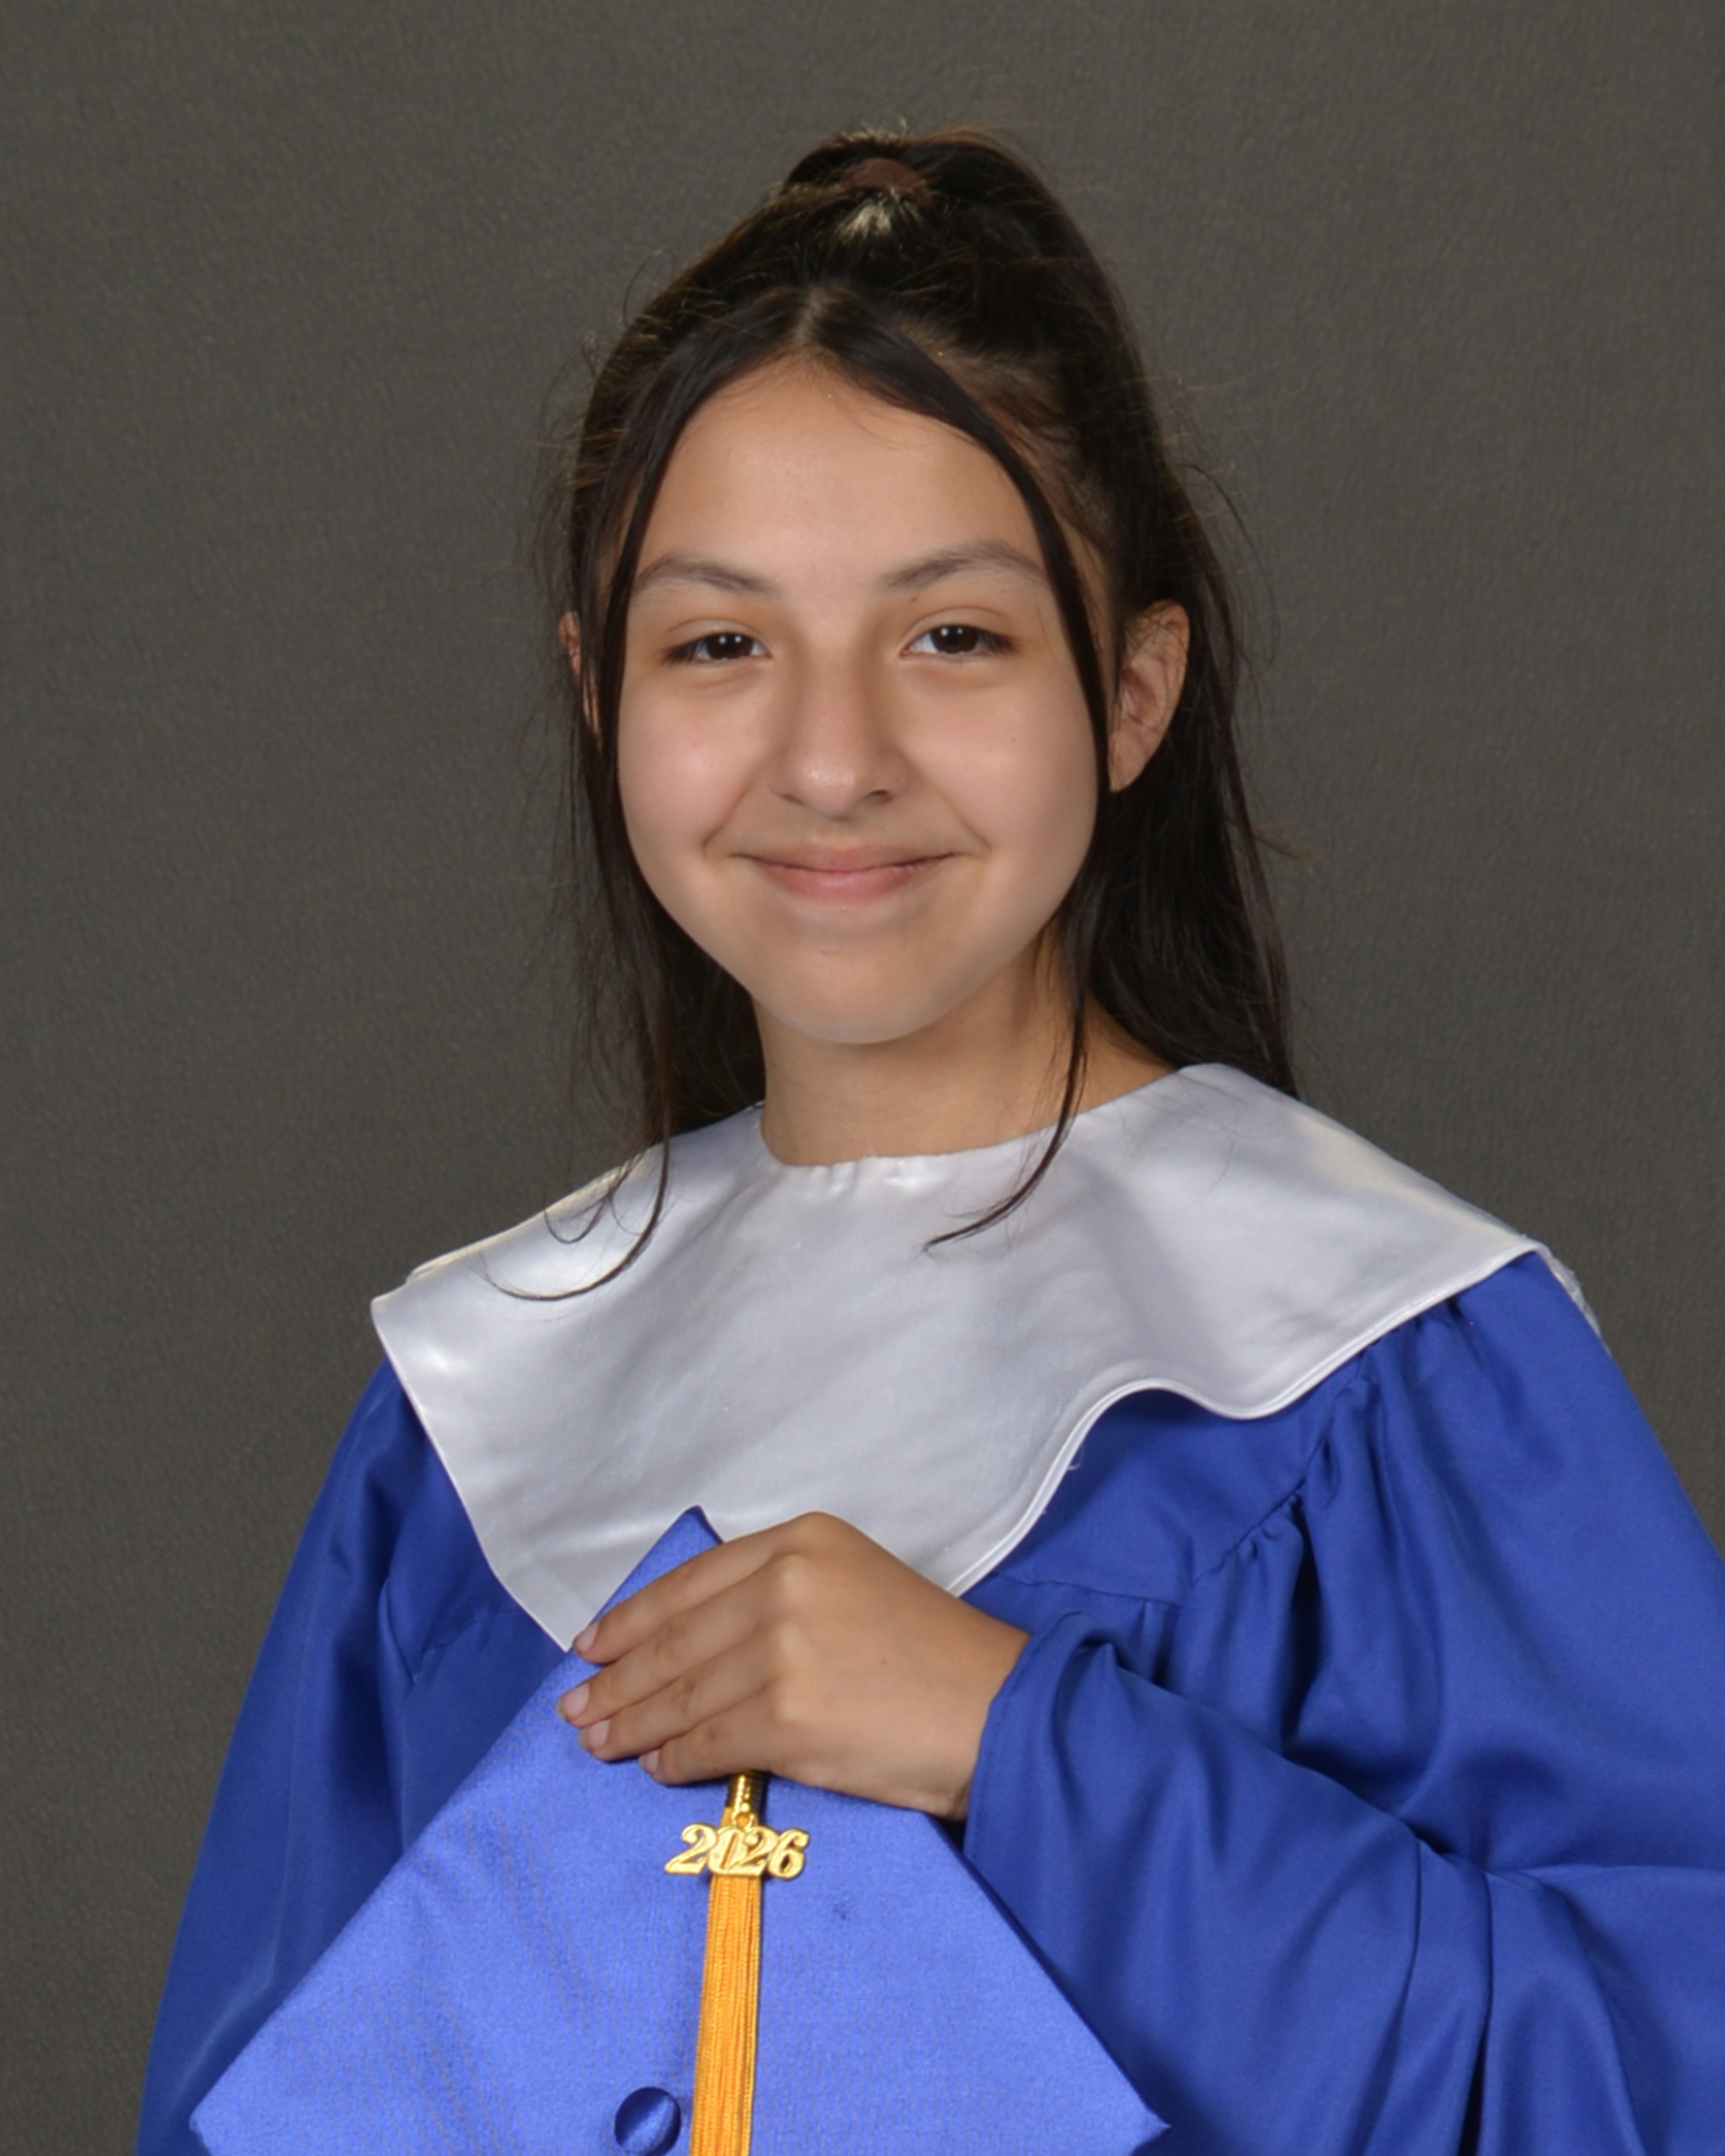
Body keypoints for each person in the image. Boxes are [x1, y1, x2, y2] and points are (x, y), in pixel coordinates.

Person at [138, 129, 1725, 2155]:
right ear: (596, 691)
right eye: (720, 643)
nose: (831, 761)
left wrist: (1016, 1738)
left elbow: (1659, 2075)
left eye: (953, 635)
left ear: (1131, 689)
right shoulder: (464, 1424)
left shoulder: (1391, 1369)